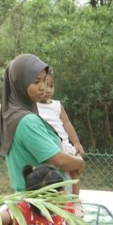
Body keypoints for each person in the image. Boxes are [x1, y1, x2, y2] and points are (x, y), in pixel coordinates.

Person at [0, 54, 84, 192]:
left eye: (44, 81)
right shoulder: (27, 121)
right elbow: (58, 160)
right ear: (20, 83)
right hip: (42, 200)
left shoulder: (10, 114)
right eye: (36, 82)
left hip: (36, 199)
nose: (43, 87)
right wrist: (79, 162)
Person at [37, 67, 84, 196]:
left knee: (75, 171)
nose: (48, 90)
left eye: (51, 86)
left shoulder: (57, 105)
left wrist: (76, 143)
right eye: (44, 86)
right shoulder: (33, 105)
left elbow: (67, 124)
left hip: (64, 144)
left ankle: (75, 199)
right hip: (50, 147)